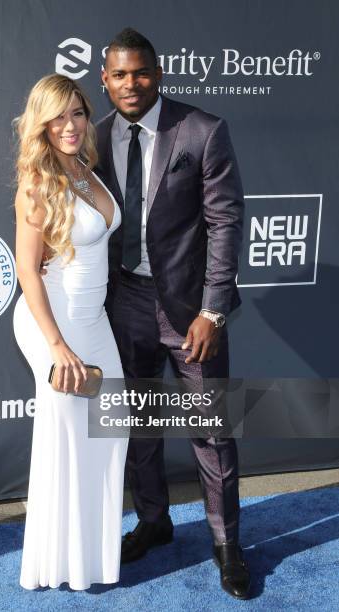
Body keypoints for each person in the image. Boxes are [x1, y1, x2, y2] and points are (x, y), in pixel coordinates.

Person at [95, 28, 251, 599]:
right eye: (119, 75)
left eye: (140, 73)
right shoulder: (93, 138)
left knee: (211, 431)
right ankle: (154, 523)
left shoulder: (201, 130)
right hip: (123, 304)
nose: (130, 84)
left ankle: (228, 545)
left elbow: (226, 224)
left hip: (191, 311)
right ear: (105, 79)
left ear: (157, 74)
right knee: (139, 427)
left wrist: (212, 311)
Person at [12, 74, 128, 591]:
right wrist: (57, 347)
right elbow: (26, 271)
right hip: (50, 322)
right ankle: (55, 565)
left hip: (93, 319)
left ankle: (93, 559)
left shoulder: (86, 170)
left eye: (77, 113)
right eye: (57, 117)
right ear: (42, 124)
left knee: (111, 426)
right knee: (64, 439)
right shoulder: (37, 184)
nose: (69, 125)